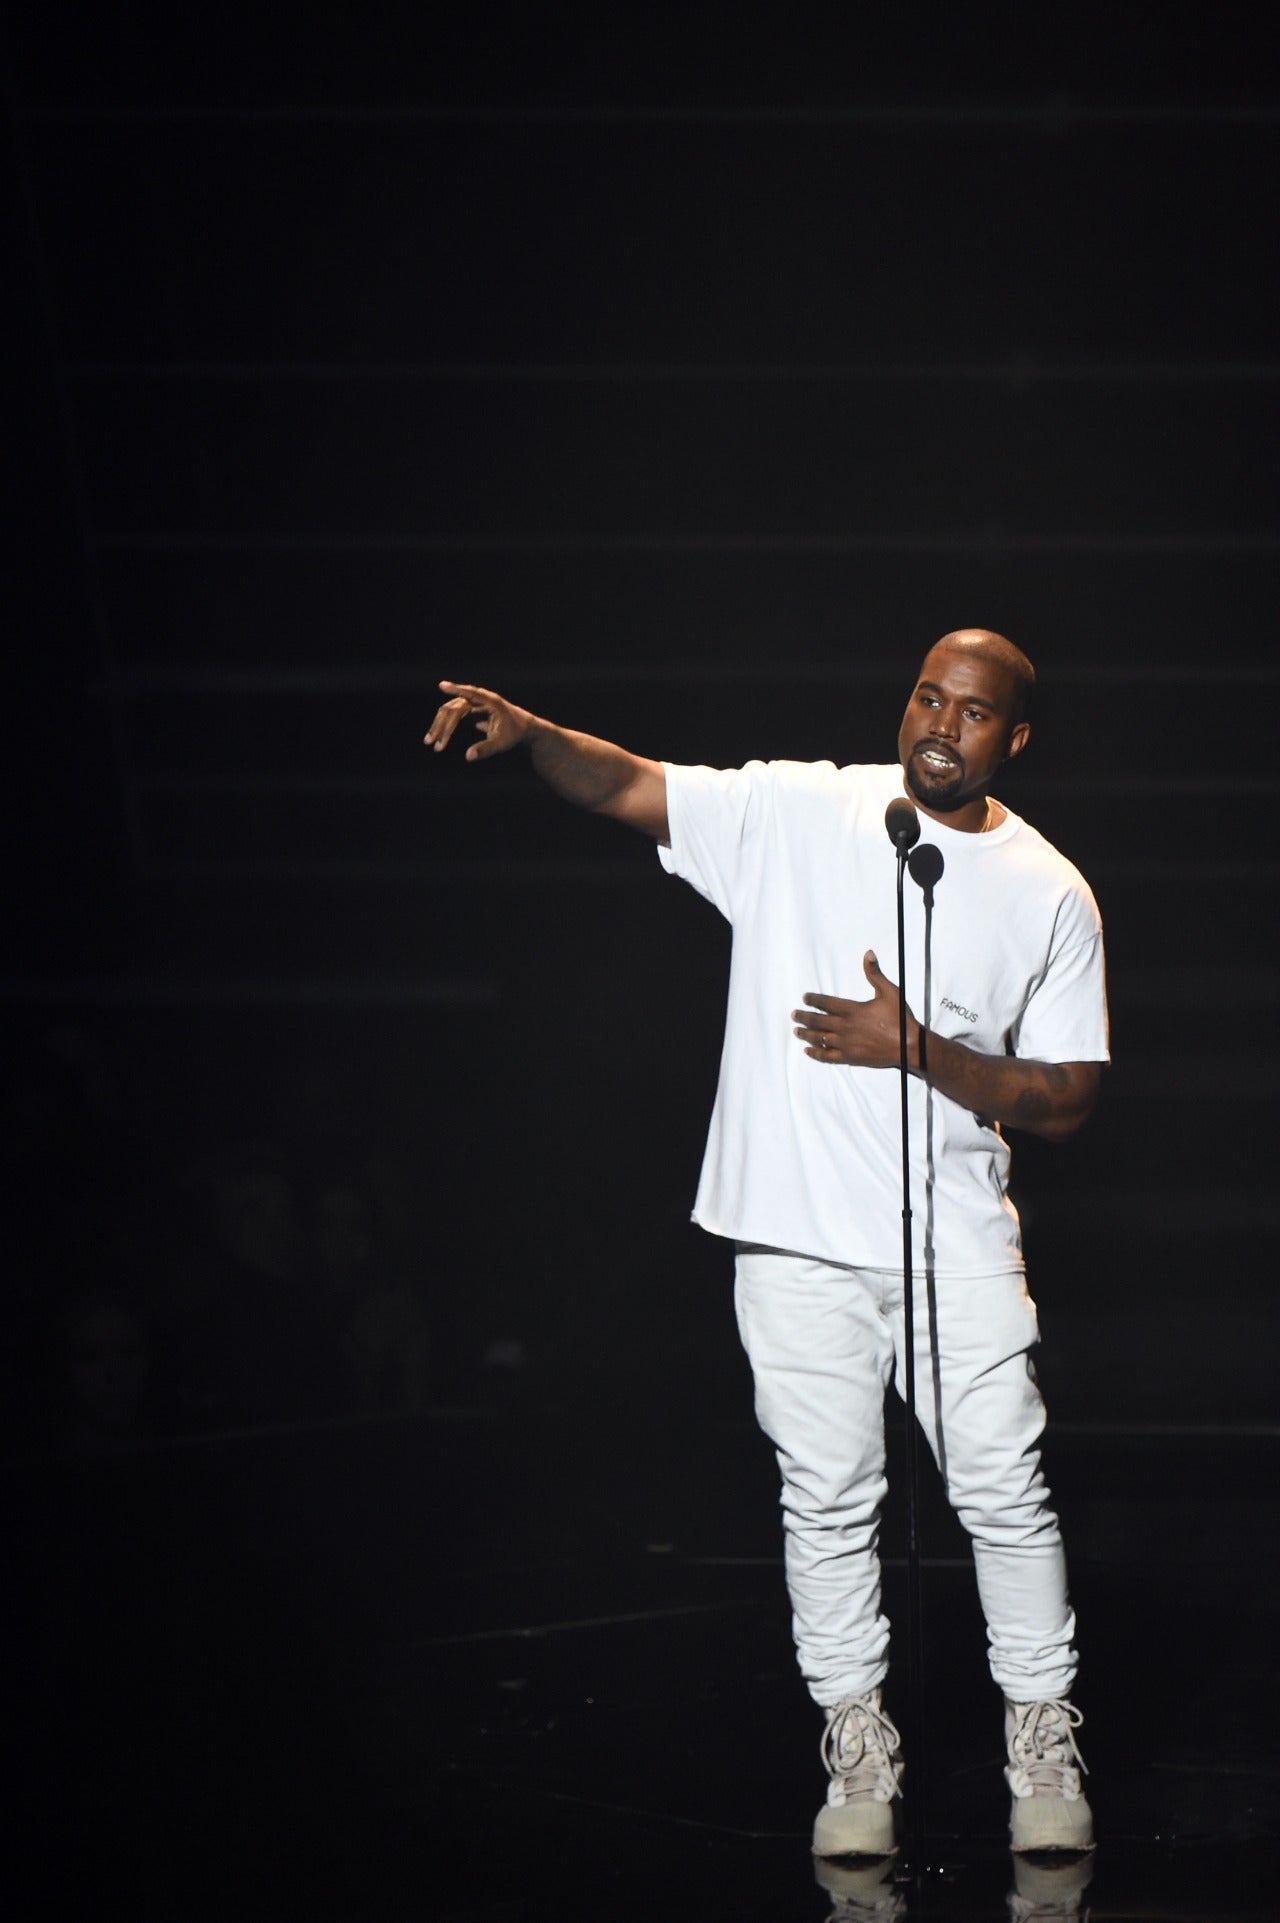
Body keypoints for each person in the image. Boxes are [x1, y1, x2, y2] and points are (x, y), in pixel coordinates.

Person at [425, 630, 1107, 1858]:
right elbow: (629, 784)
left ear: (1012, 737)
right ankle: (855, 1744)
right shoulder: (800, 811)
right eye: (926, 697)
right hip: (789, 1240)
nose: (938, 724)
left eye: (970, 711)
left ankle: (1040, 1737)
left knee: (1004, 1496)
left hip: (953, 1245)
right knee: (825, 1500)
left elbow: (1065, 1100)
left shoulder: (1047, 888)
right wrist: (530, 735)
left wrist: (917, 1050)